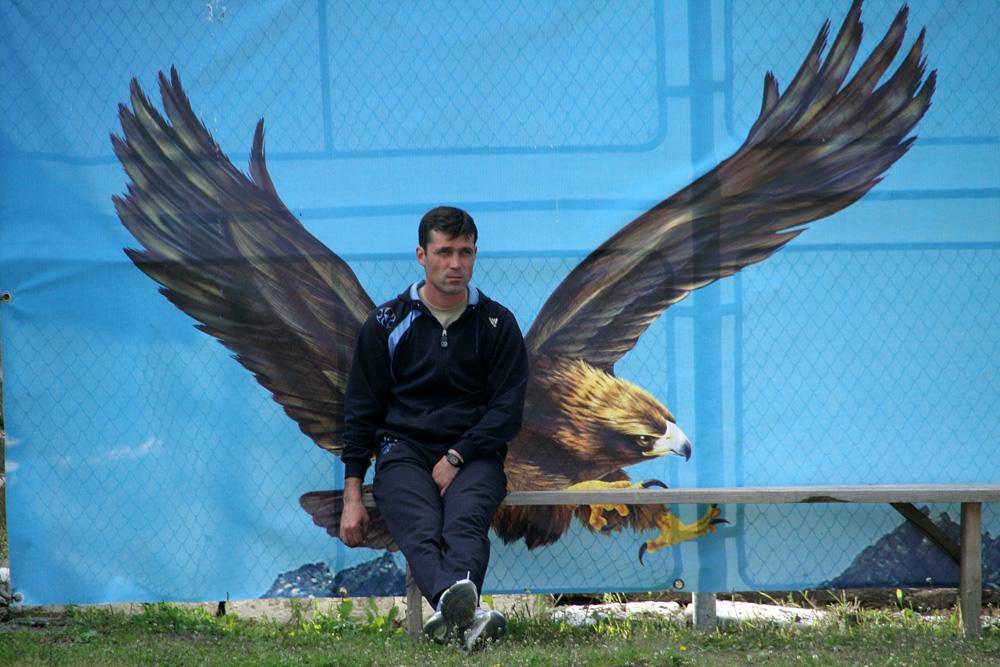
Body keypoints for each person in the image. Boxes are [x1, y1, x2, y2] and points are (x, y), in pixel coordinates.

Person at [338, 206, 529, 651]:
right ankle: (466, 611)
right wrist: (352, 494)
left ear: (476, 254)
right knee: (421, 527)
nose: (455, 264)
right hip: (402, 450)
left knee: (464, 526)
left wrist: (457, 456)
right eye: (444, 252)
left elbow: (507, 412)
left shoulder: (497, 324)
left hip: (476, 454)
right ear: (422, 255)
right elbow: (360, 411)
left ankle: (451, 611)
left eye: (465, 252)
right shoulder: (385, 323)